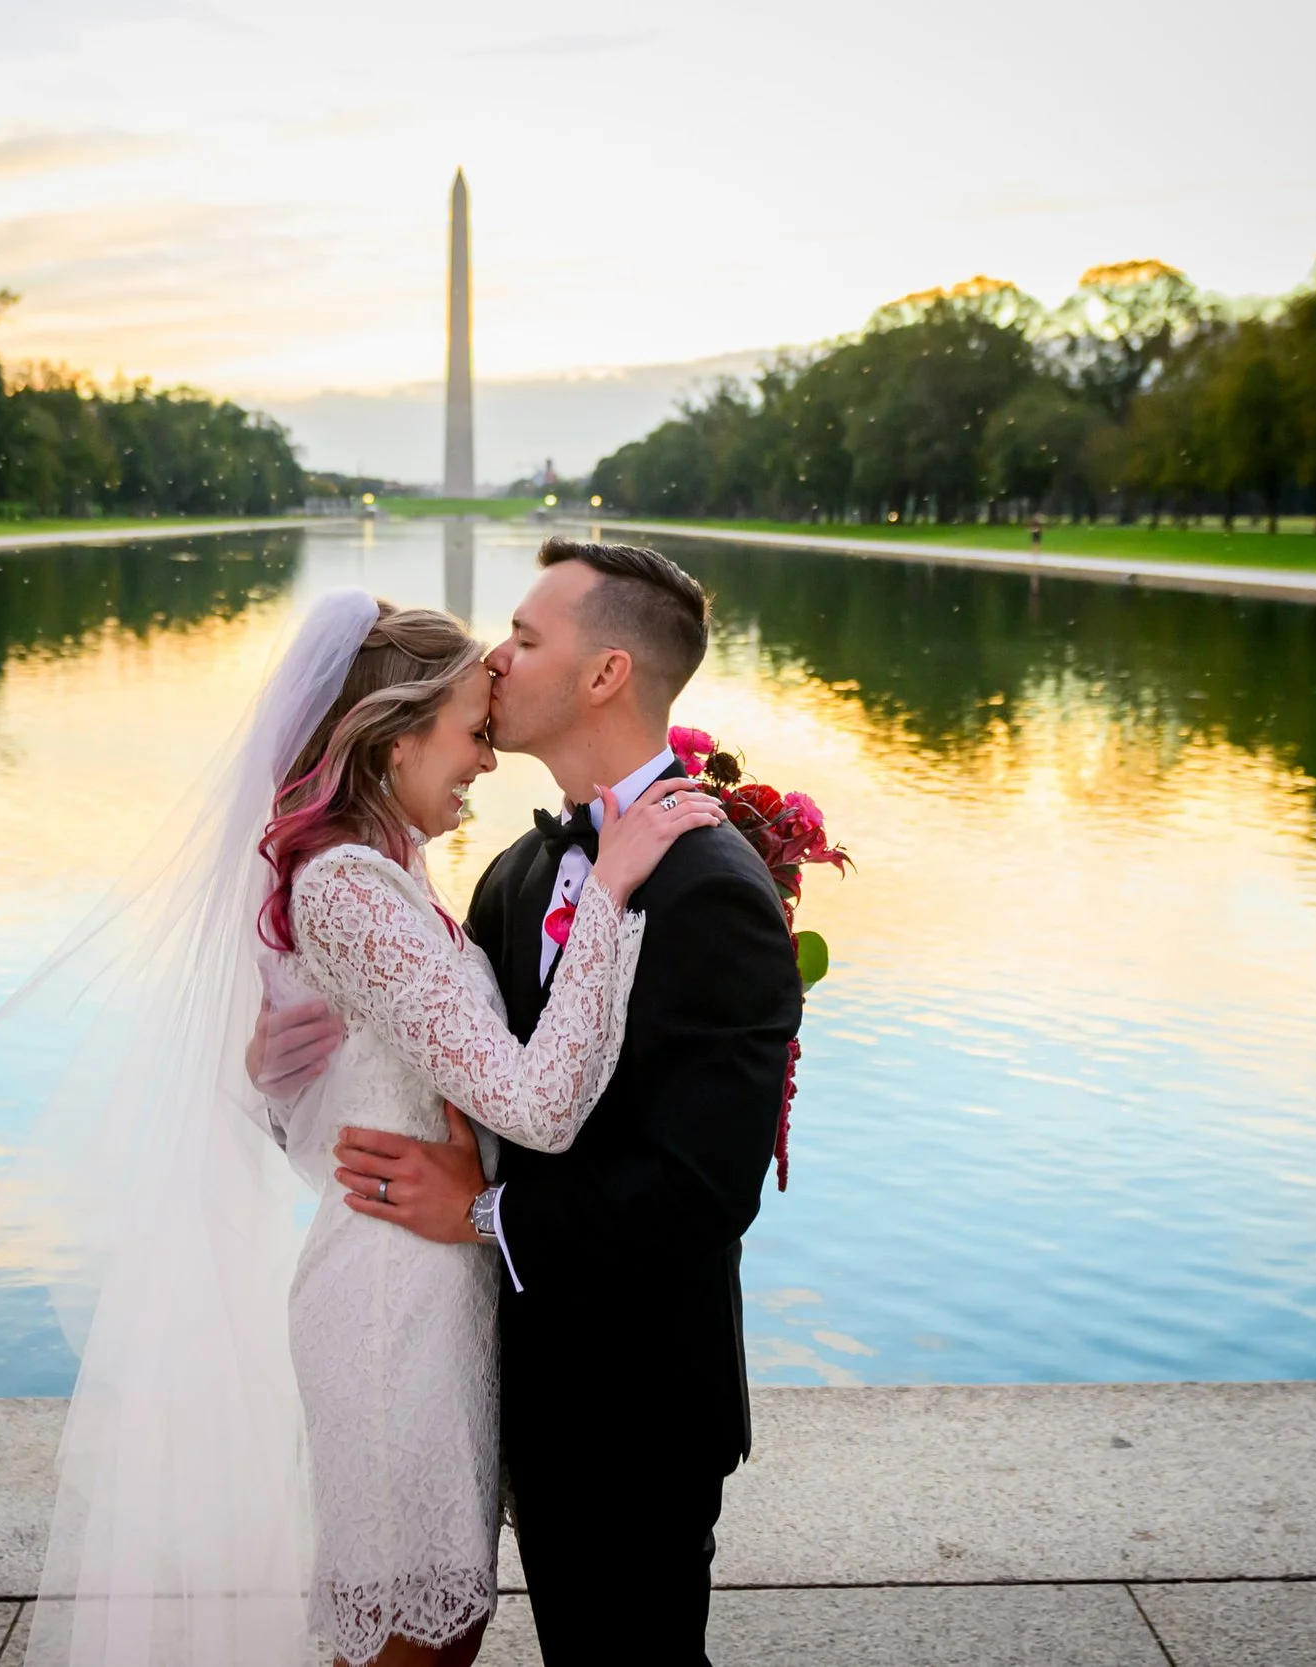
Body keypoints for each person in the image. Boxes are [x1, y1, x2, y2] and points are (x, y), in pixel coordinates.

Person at [14, 590, 724, 1667]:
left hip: (433, 1288)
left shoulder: (388, 871)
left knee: (432, 1627)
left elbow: (337, 1086)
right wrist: (616, 889)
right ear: (395, 736)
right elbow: (533, 1102)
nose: (487, 760)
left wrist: (280, 1077)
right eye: (473, 733)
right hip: (394, 1306)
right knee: (416, 1638)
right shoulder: (348, 883)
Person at [255, 540, 806, 1665]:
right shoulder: (510, 871)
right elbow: (462, 1084)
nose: (495, 659)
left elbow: (702, 1188)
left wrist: (482, 1216)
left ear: (604, 673)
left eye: (523, 635)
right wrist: (290, 1065)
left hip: (633, 1402)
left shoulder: (712, 889)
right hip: (505, 1365)